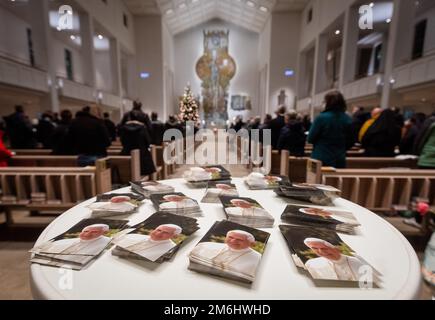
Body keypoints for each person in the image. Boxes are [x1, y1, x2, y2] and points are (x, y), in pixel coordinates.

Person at [308, 91, 354, 168]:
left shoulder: (321, 118)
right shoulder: (347, 119)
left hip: (321, 157)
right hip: (339, 158)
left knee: (317, 180)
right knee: (336, 180)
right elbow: (351, 141)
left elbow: (310, 138)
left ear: (327, 102)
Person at [190, 230, 261, 279]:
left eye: (240, 240)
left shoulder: (258, 258)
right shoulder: (205, 245)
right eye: (230, 237)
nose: (233, 241)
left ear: (251, 243)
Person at [119, 110, 156, 176]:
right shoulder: (143, 127)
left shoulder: (124, 128)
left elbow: (122, 141)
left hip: (127, 154)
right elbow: (148, 141)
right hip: (142, 157)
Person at [115, 224, 181, 262]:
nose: (158, 233)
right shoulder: (133, 236)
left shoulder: (170, 249)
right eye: (158, 230)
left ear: (175, 236)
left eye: (165, 232)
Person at [34, 224, 111, 256]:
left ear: (103, 233)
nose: (87, 234)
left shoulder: (107, 242)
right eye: (86, 231)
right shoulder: (62, 242)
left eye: (94, 232)